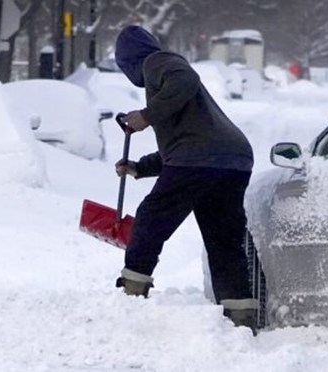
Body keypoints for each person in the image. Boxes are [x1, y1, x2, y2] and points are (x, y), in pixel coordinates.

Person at [113, 25, 257, 331]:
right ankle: (241, 316)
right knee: (223, 239)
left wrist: (147, 115)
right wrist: (139, 167)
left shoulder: (156, 62)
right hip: (233, 160)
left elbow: (186, 78)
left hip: (201, 158)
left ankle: (130, 296)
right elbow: (182, 147)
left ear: (128, 60)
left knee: (151, 218)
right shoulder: (166, 82)